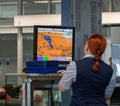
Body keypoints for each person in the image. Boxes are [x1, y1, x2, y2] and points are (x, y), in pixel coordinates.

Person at [58, 34, 116, 106]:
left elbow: (62, 88)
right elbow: (107, 96)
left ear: (87, 47)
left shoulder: (74, 66)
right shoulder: (110, 70)